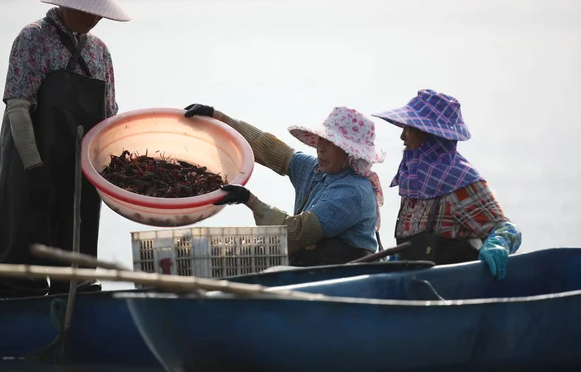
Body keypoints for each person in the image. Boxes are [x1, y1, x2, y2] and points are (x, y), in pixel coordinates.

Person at [0, 0, 130, 298]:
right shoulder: (33, 39)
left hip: (78, 176)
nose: (95, 16)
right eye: (88, 9)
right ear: (66, 2)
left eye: (99, 10)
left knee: (77, 276)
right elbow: (18, 108)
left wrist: (115, 174)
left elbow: (108, 120)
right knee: (26, 270)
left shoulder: (100, 53)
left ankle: (75, 314)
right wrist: (34, 169)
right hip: (31, 170)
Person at [184, 104, 386, 266]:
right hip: (308, 267)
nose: (321, 149)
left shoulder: (353, 192)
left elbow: (295, 234)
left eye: (332, 143)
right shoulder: (315, 169)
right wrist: (219, 119)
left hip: (340, 276)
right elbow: (269, 148)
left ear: (351, 152)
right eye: (321, 140)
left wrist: (250, 200)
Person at [372, 89, 522, 280]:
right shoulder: (414, 180)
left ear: (430, 134)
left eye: (409, 128)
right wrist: (398, 257)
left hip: (455, 289)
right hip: (416, 288)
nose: (402, 136)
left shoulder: (460, 181)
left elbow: (505, 228)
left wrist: (498, 243)